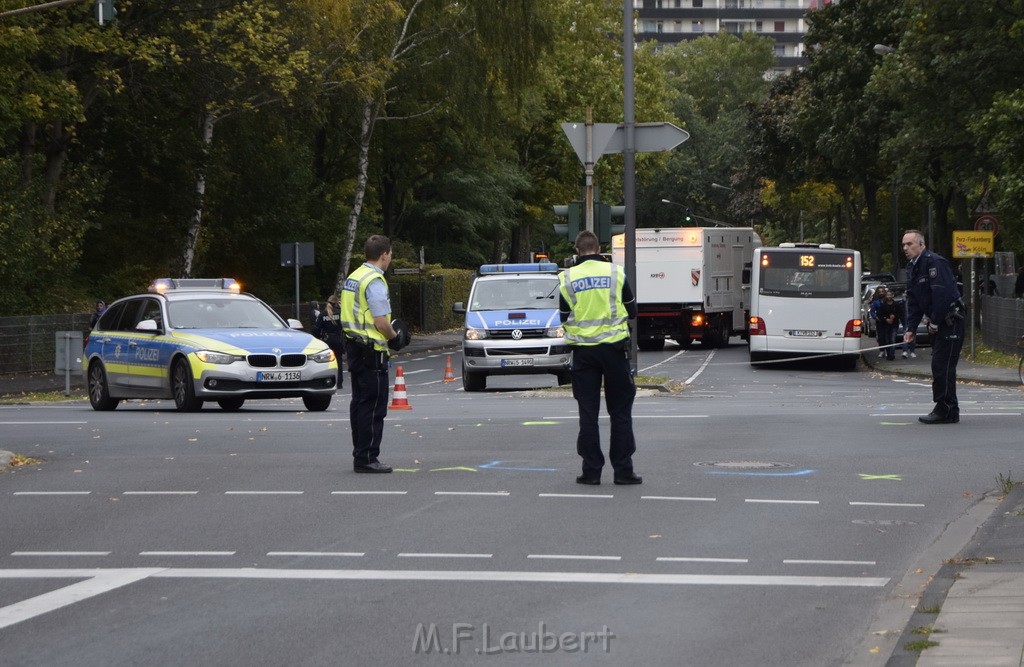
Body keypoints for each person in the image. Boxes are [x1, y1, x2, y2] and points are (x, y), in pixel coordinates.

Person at [558, 230, 641, 485]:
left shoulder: (567, 277)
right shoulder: (615, 273)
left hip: (584, 353)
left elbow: (563, 316)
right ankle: (623, 471)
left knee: (588, 412)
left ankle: (591, 471)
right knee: (620, 411)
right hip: (614, 351)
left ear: (577, 251)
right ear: (599, 248)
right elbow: (633, 310)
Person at [340, 235, 407, 473]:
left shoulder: (354, 277)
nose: (390, 259)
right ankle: (368, 458)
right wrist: (394, 337)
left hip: (355, 347)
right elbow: (380, 321)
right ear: (385, 254)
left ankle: (360, 454)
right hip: (372, 351)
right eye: (390, 255)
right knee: (373, 406)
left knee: (358, 403)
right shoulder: (375, 281)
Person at [902, 230, 965, 424]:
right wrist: (911, 328)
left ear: (921, 244)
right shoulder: (913, 267)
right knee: (941, 365)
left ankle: (945, 408)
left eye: (910, 244)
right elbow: (913, 300)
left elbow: (942, 294)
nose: (905, 248)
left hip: (950, 320)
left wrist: (935, 322)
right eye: (903, 245)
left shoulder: (934, 263)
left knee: (942, 366)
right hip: (940, 322)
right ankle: (949, 408)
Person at [312, 294, 345, 390]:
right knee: (338, 361)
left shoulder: (322, 314)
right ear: (336, 303)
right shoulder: (340, 313)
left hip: (327, 340)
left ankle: (328, 381)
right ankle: (339, 383)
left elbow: (316, 329)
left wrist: (318, 338)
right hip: (338, 340)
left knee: (327, 362)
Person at [875, 287, 903, 361]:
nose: (889, 296)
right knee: (887, 340)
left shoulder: (896, 305)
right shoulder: (883, 305)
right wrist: (886, 319)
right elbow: (879, 315)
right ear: (886, 296)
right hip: (885, 325)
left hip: (894, 325)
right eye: (888, 295)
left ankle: (892, 354)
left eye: (890, 295)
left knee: (892, 340)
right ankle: (888, 353)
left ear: (892, 295)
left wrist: (895, 316)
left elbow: (900, 313)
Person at [868, 287, 887, 358]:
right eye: (880, 292)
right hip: (880, 322)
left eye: (882, 292)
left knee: (887, 336)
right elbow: (872, 311)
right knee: (881, 337)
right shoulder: (876, 302)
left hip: (887, 321)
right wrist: (875, 317)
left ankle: (888, 351)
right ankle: (882, 350)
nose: (881, 293)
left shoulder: (887, 300)